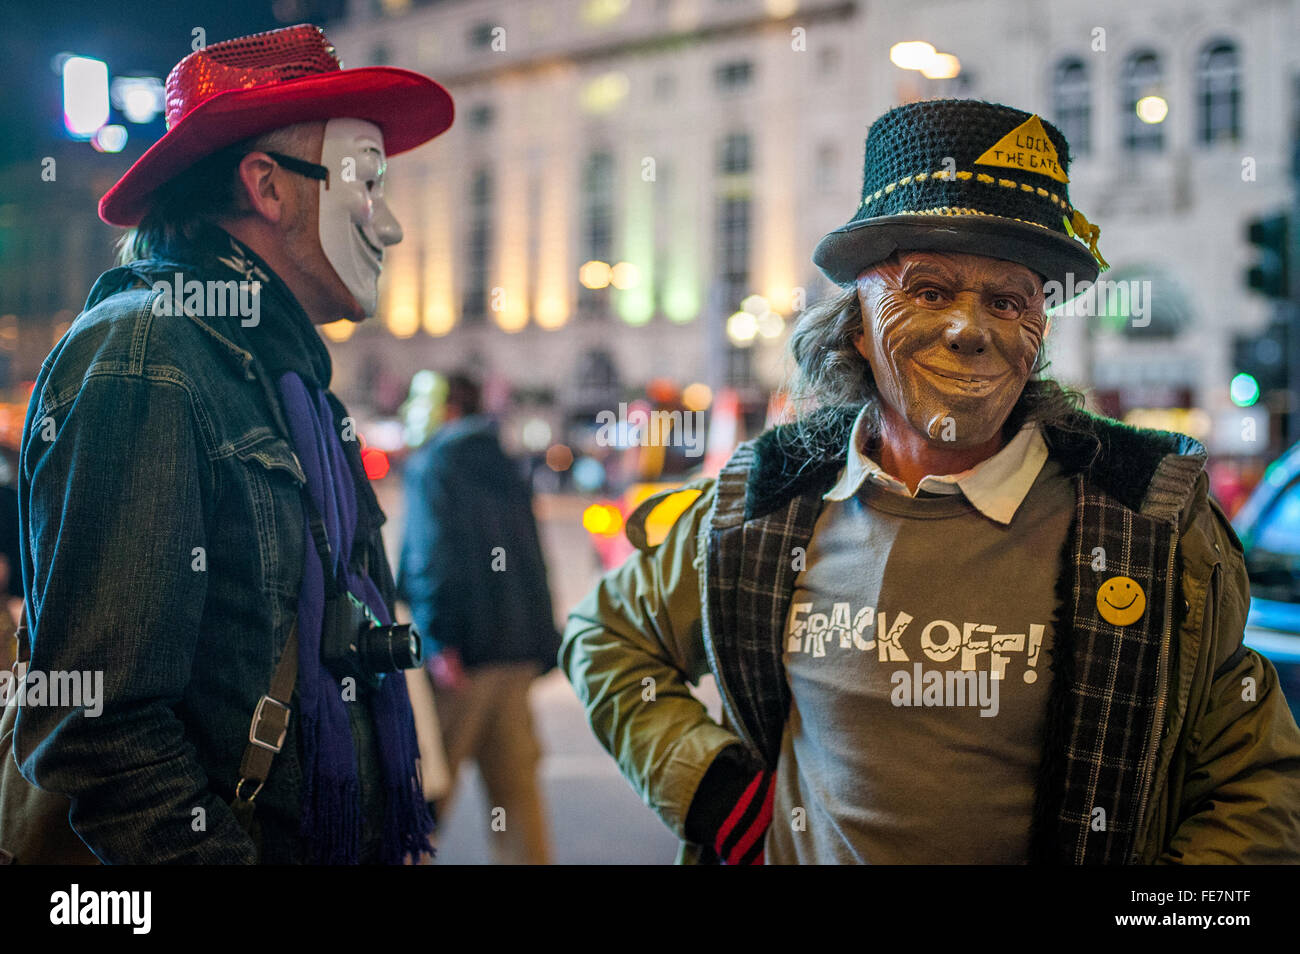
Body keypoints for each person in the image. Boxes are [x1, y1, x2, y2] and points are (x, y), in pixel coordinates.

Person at [561, 99, 1300, 864]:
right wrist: (718, 797)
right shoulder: (768, 503)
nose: (970, 329)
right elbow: (606, 636)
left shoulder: (1145, 521)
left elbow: (1257, 780)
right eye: (931, 290)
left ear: (1037, 333)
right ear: (856, 322)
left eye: (1009, 301)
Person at [13, 24, 454, 863]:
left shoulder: (281, 374)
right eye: (367, 181)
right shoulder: (147, 355)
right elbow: (97, 724)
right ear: (269, 186)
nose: (389, 226)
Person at [398, 372, 559, 864]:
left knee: (421, 798)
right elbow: (532, 555)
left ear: (445, 408)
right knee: (515, 798)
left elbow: (432, 557)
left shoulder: (436, 464)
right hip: (516, 655)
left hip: (461, 660)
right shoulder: (504, 461)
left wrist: (439, 637)